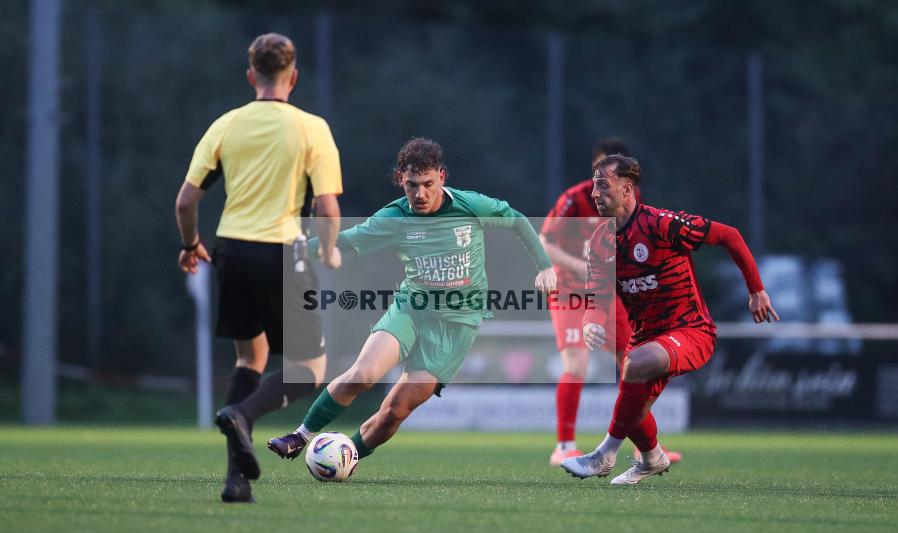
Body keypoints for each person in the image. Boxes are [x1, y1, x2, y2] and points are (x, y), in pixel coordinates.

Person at [267, 137, 557, 464]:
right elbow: (345, 240)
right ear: (400, 180)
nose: (420, 194)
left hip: (457, 324)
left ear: (442, 177)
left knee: (394, 412)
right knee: (363, 373)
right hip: (412, 308)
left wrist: (545, 266)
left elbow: (515, 218)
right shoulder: (395, 217)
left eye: (428, 184)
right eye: (412, 185)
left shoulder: (471, 206)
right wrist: (290, 252)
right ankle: (300, 436)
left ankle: (347, 456)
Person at [175, 33, 342, 502]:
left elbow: (186, 201)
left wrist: (190, 245)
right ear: (294, 77)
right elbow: (327, 208)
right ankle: (244, 414)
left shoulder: (226, 124)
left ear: (251, 76)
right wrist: (329, 251)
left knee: (250, 359)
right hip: (283, 251)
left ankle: (236, 481)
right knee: (309, 369)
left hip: (231, 249)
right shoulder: (311, 128)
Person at [562, 154, 778, 485]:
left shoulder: (662, 225)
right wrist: (591, 320)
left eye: (603, 185)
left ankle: (604, 455)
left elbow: (730, 235)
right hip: (645, 338)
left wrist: (757, 290)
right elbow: (597, 294)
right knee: (634, 411)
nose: (594, 193)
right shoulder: (601, 242)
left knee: (634, 366)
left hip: (690, 330)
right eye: (593, 185)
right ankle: (652, 459)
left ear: (627, 189)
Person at [540, 138, 681, 466]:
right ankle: (564, 446)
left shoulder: (631, 200)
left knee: (635, 363)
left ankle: (645, 446)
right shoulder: (574, 200)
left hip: (607, 293)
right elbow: (545, 242)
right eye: (601, 170)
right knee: (576, 365)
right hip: (571, 291)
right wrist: (582, 267)